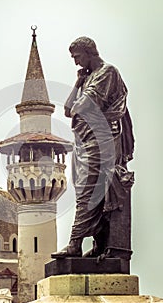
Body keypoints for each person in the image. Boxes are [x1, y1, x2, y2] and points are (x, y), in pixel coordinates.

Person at [54, 37, 134, 258]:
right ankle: (99, 244)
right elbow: (68, 110)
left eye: (77, 57)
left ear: (89, 52)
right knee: (86, 189)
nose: (76, 63)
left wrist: (80, 98)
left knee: (91, 189)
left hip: (101, 141)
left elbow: (84, 106)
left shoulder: (107, 73)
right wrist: (78, 84)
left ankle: (75, 243)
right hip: (85, 140)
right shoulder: (87, 79)